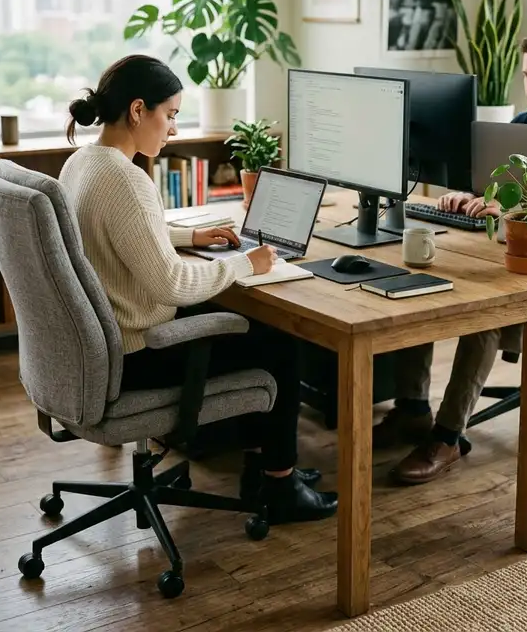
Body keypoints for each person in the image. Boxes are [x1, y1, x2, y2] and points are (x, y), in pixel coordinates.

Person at [58, 54, 338, 525]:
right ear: (137, 110)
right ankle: (278, 483)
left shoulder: (83, 163)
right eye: (169, 115)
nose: (172, 130)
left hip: (100, 346)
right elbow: (173, 282)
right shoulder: (127, 180)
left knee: (249, 325)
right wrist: (243, 263)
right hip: (137, 352)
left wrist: (192, 237)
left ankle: (266, 466)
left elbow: (117, 234)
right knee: (281, 341)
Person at [375, 27, 527, 485]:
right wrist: (464, 199)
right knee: (416, 277)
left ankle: (447, 438)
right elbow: (491, 193)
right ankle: (412, 408)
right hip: (509, 253)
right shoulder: (521, 128)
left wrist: (509, 208)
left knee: (487, 314)